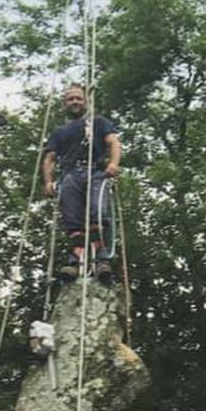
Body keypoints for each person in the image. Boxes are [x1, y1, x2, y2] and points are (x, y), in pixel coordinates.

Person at [42, 84, 122, 284]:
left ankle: (102, 258)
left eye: (78, 98)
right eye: (71, 99)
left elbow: (113, 142)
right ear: (65, 104)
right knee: (73, 220)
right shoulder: (60, 132)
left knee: (97, 213)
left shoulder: (98, 122)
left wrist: (113, 163)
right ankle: (75, 260)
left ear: (85, 101)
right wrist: (48, 182)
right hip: (69, 175)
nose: (75, 102)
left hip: (94, 171)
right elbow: (50, 158)